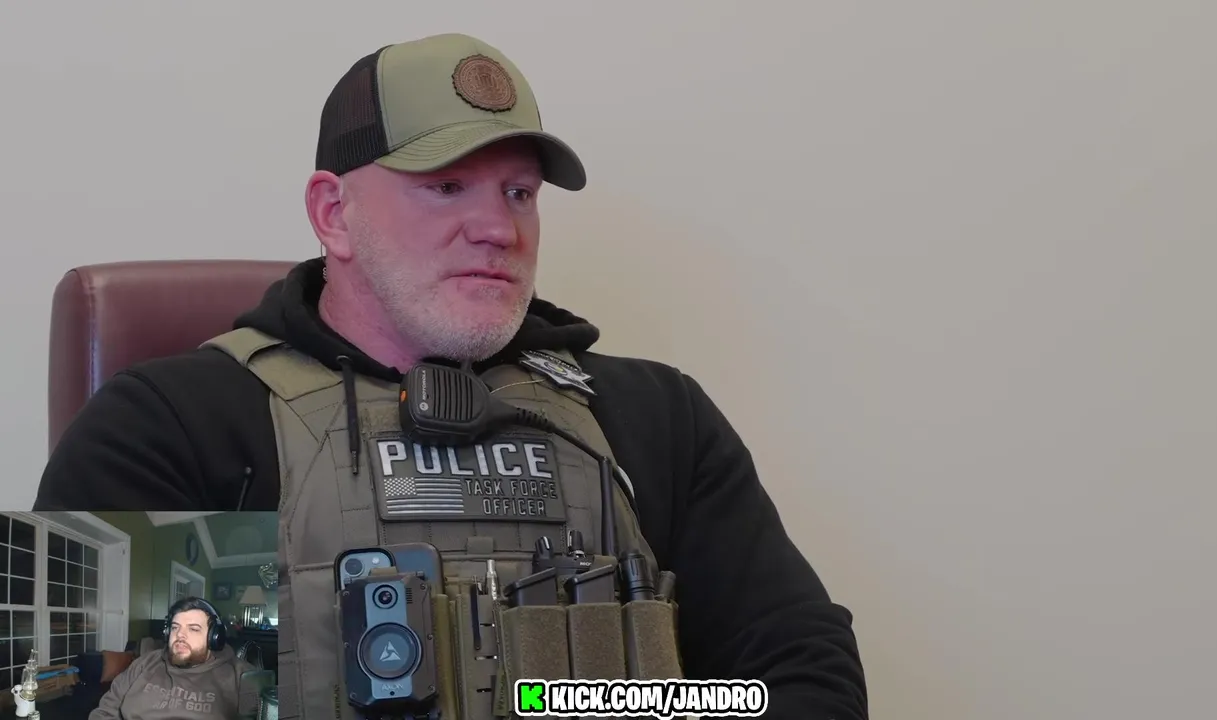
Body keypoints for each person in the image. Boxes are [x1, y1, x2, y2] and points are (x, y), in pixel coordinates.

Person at [37, 33, 868, 718]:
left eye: (519, 193)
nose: (498, 229)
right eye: (446, 186)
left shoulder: (650, 418)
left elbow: (807, 678)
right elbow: (73, 697)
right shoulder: (180, 424)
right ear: (333, 214)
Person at [89, 597, 254, 720]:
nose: (180, 635)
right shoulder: (145, 663)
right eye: (175, 628)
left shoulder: (242, 677)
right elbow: (105, 711)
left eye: (193, 629)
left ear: (214, 637)